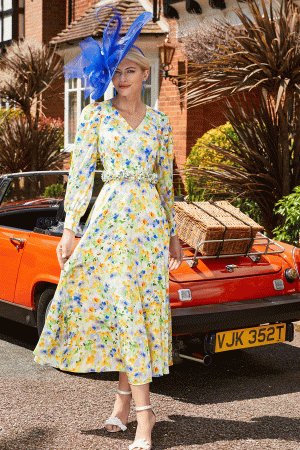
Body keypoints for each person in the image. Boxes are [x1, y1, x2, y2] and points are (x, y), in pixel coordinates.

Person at [33, 8, 183, 450]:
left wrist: (173, 232)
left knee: (134, 310)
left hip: (150, 225)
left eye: (130, 70)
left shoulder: (158, 123)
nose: (121, 78)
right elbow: (80, 175)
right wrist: (69, 229)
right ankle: (145, 416)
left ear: (145, 74)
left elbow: (164, 185)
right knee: (122, 307)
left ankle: (122, 403)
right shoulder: (96, 118)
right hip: (111, 220)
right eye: (116, 70)